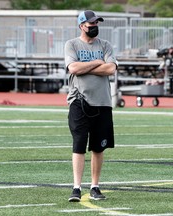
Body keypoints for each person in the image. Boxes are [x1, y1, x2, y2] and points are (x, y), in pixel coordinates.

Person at [64, 10, 118, 202]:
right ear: (82, 26)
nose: (95, 27)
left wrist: (85, 66)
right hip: (79, 101)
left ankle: (95, 186)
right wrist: (97, 62)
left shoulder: (105, 45)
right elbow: (73, 68)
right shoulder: (72, 44)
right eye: (91, 24)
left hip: (103, 102)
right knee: (79, 145)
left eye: (97, 24)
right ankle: (76, 187)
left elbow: (111, 68)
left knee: (98, 147)